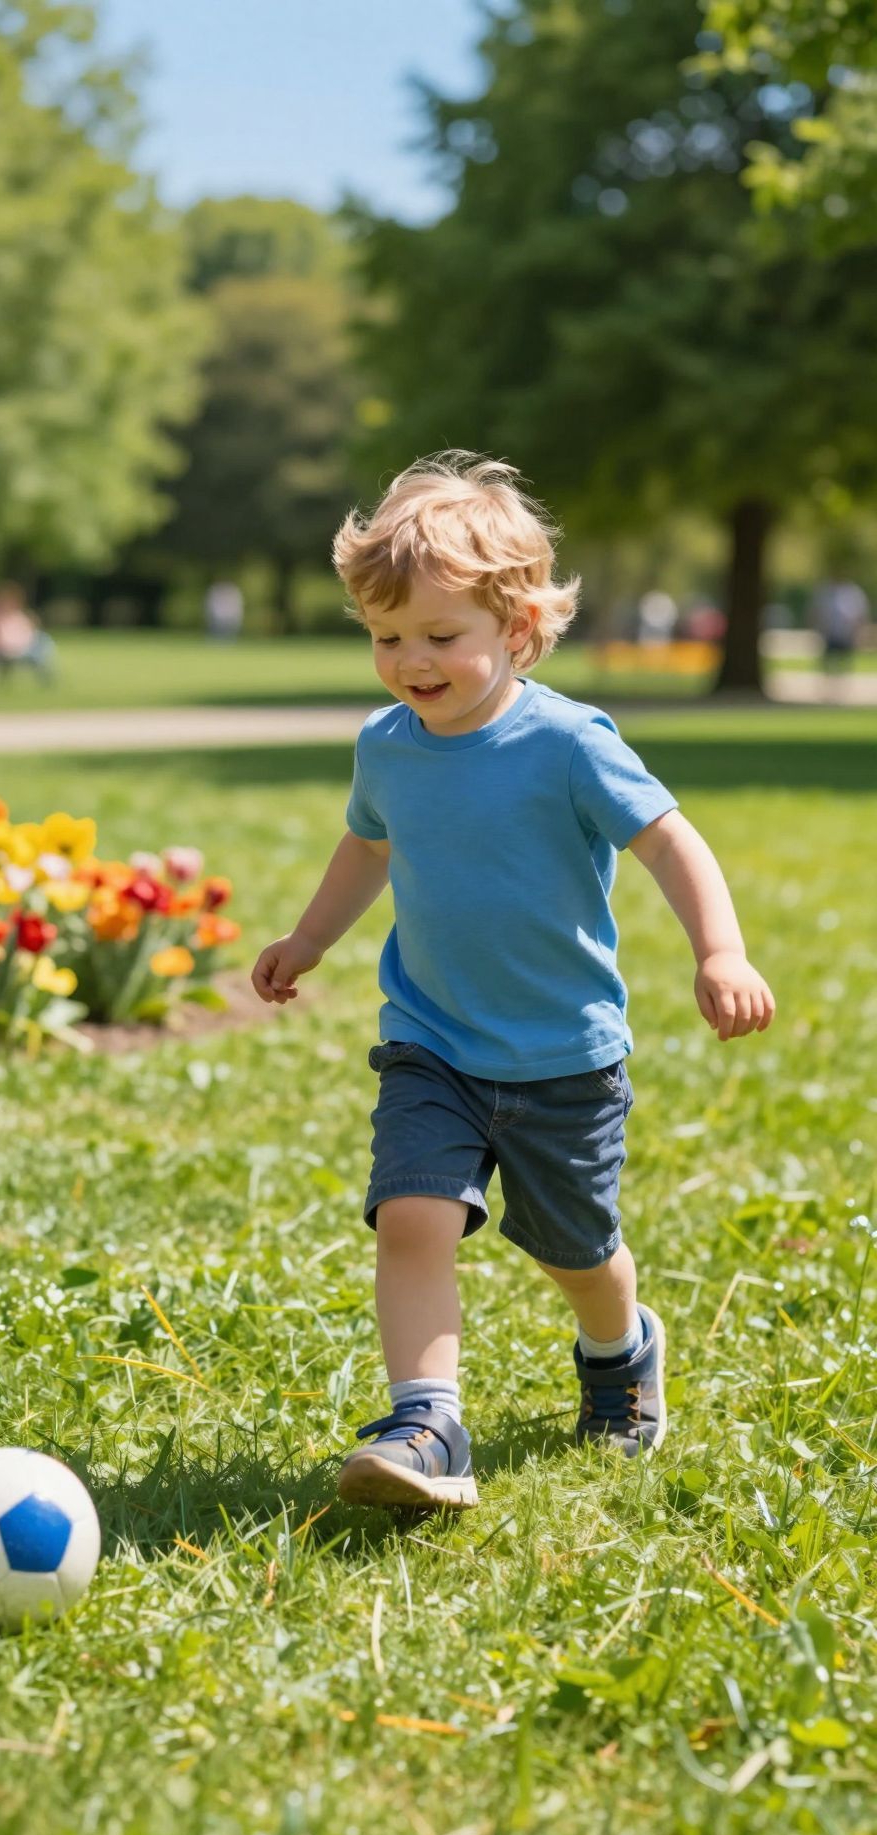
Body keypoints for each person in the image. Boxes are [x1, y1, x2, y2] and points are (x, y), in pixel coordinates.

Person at [251, 452, 776, 1508]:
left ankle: (619, 1347)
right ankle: (427, 1422)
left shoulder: (569, 743)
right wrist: (309, 938)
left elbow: (670, 841)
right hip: (432, 1041)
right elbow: (368, 846)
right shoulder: (387, 746)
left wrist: (719, 950)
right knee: (413, 1215)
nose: (411, 661)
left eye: (441, 636)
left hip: (562, 1056)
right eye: (387, 637)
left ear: (521, 627)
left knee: (577, 1251)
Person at [0, 583, 55, 681]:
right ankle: (43, 672)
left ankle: (44, 672)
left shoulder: (18, 616)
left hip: (21, 648)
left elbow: (28, 634)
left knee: (42, 639)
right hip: (1, 651)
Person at [810, 578, 868, 676]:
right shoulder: (827, 592)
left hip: (845, 632)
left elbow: (859, 614)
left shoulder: (853, 592)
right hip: (830, 632)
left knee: (845, 660)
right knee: (828, 660)